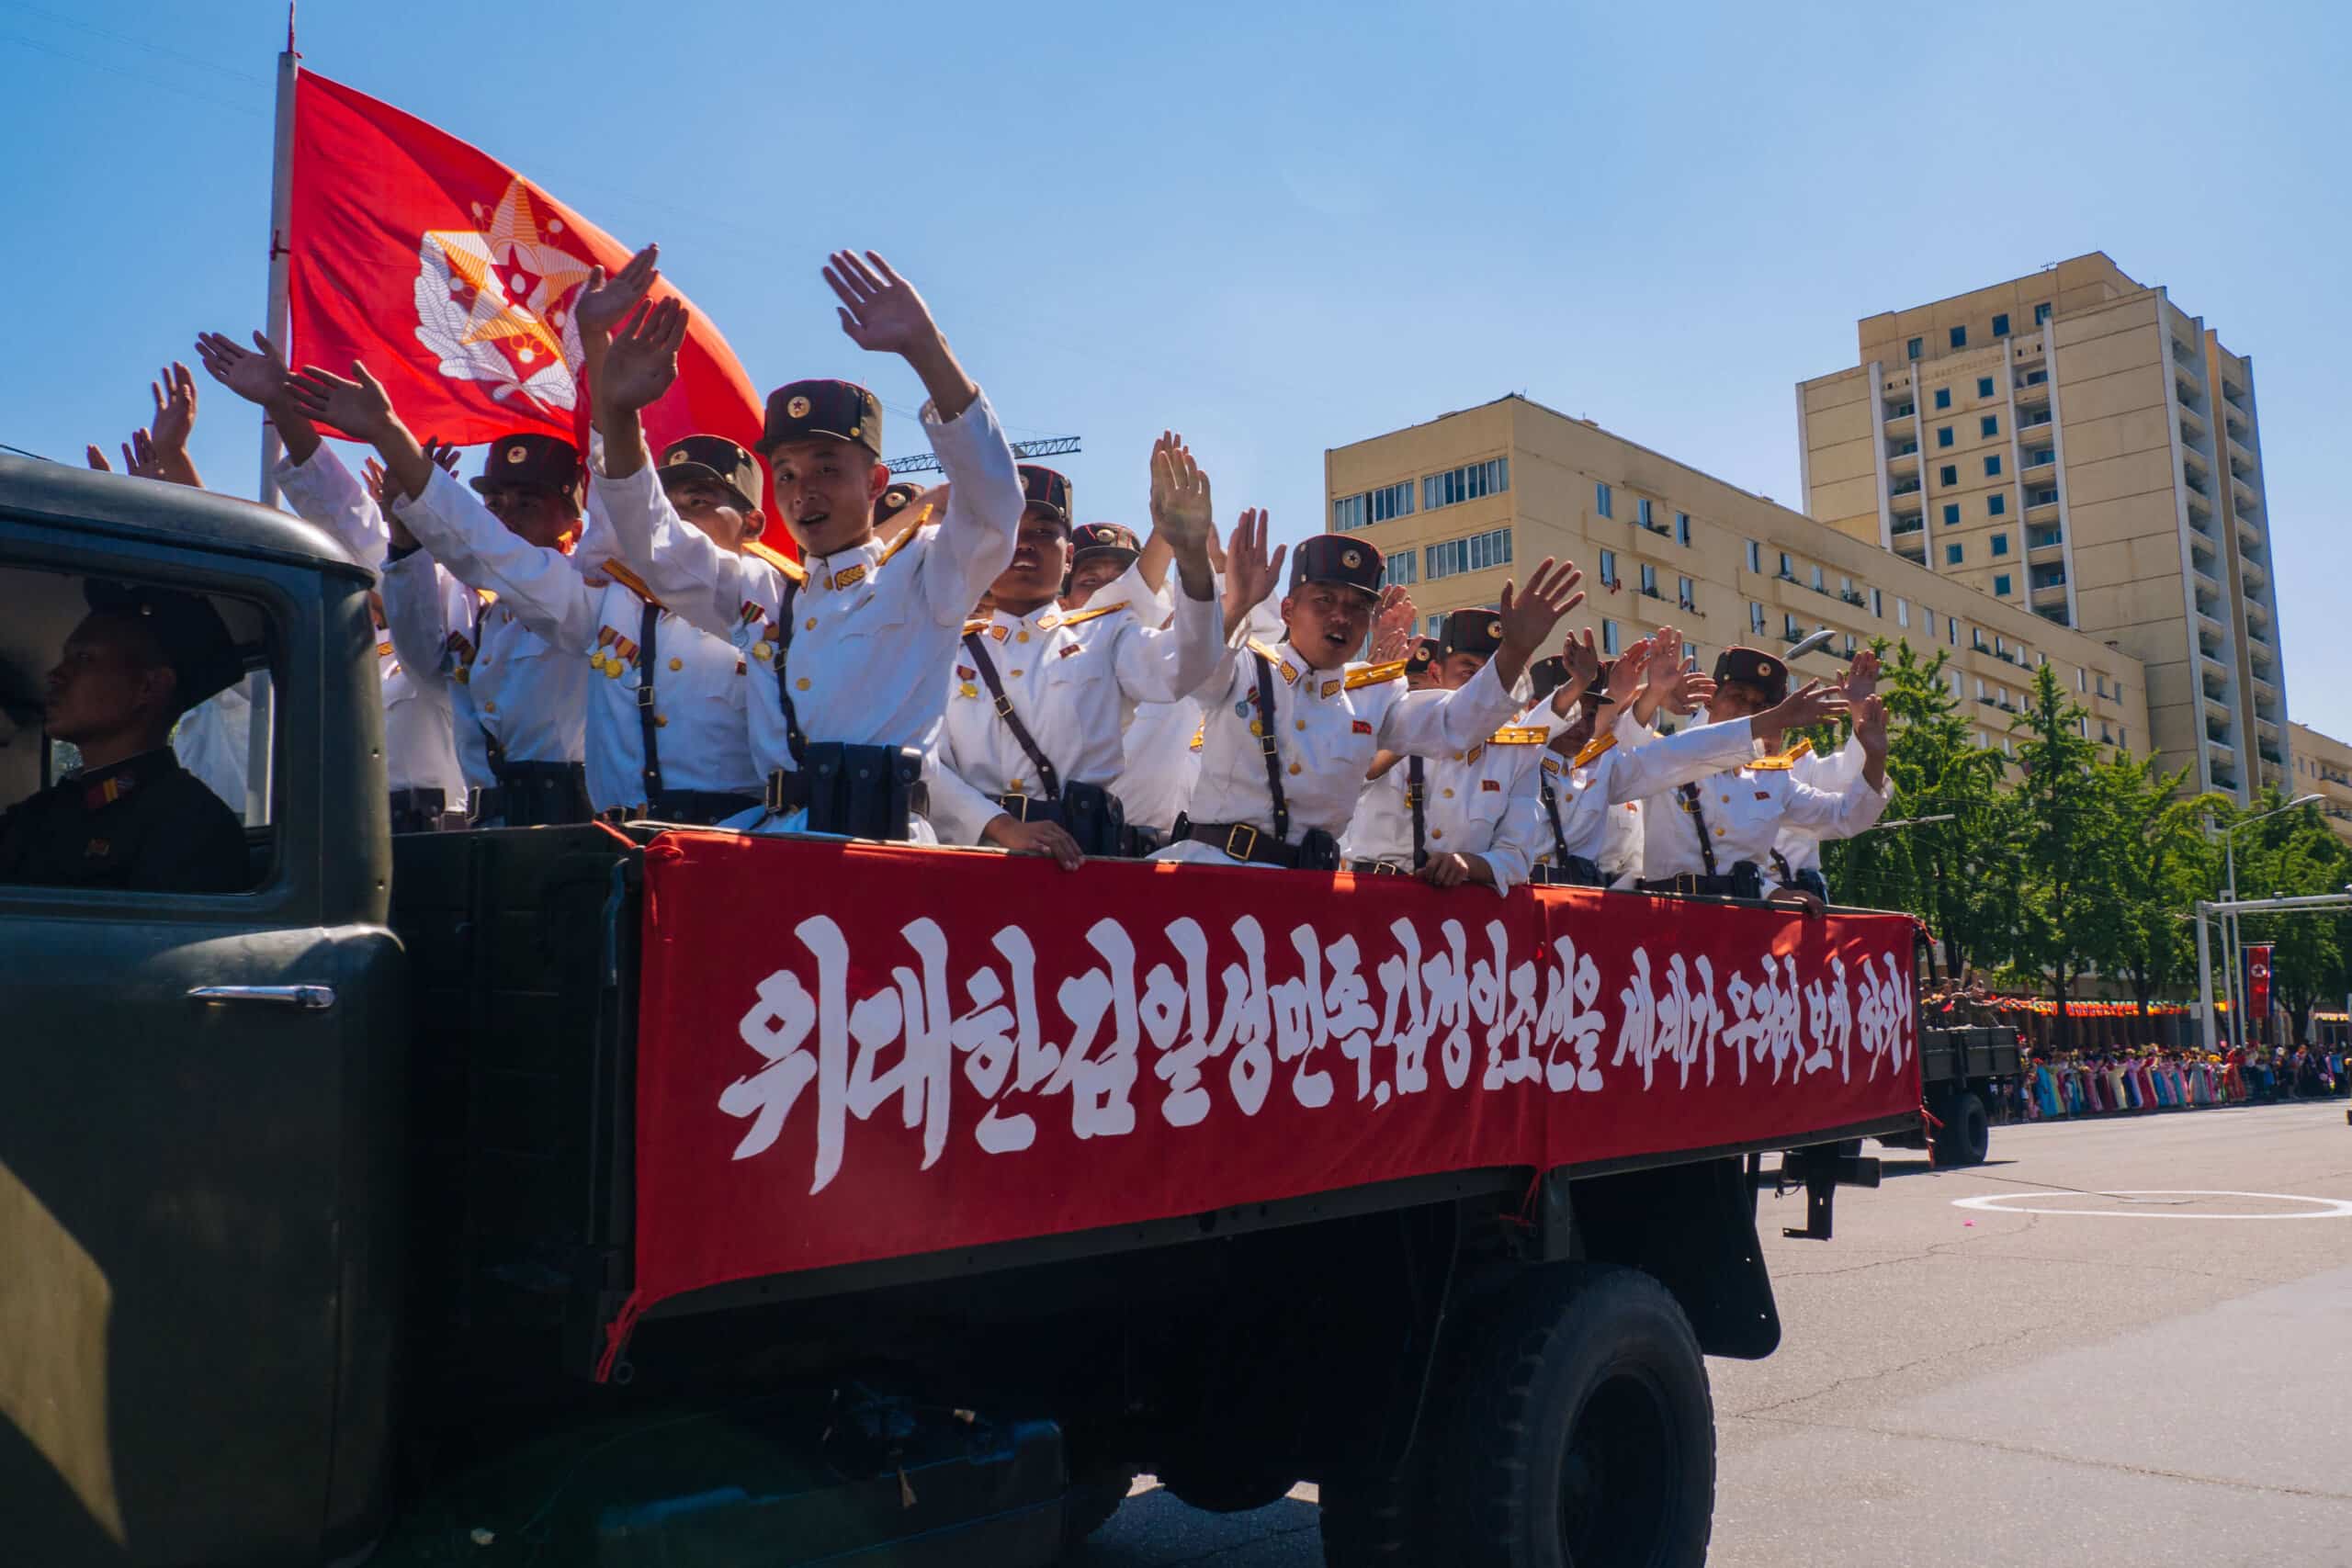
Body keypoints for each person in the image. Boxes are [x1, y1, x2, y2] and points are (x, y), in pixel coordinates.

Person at [591, 248, 1023, 840]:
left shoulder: (925, 572)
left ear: (875, 482)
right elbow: (652, 543)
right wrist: (617, 413)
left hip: (882, 849)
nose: (802, 491)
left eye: (827, 468)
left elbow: (995, 503)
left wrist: (928, 350)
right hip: (774, 849)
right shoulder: (766, 592)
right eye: (787, 474)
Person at [1159, 525, 1585, 870]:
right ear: (1288, 611)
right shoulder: (1247, 667)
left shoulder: (1373, 695)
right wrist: (1235, 605)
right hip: (1216, 875)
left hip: (1307, 898)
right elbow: (1195, 667)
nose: (1341, 616)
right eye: (1324, 600)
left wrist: (1515, 652)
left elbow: (1455, 725)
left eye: (1358, 607)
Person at [195, 329, 472, 830]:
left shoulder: (457, 602)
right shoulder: (344, 642)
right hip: (339, 830)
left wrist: (285, 409)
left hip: (431, 833)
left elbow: (360, 531)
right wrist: (281, 405)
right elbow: (346, 519)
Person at [929, 441, 1223, 866]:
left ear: (1068, 558)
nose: (1024, 545)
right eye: (1008, 531)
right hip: (975, 859)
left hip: (1081, 865)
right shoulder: (947, 648)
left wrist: (1192, 556)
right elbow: (928, 761)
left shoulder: (1105, 634)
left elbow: (1188, 667)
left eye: (1042, 533)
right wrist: (999, 824)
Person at [1503, 632, 1850, 890]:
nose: (1583, 723)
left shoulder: (1605, 767)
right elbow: (1536, 734)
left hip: (1589, 906)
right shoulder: (1511, 754)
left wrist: (1649, 694)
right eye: (1574, 707)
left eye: (1591, 711)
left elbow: (1682, 754)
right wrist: (1625, 692)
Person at [1, 581, 249, 893]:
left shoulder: (191, 826)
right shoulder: (42, 811)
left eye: (84, 658)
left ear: (149, 687)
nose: (54, 675)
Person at [1636, 645, 1892, 901]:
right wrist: (1652, 693)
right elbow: (1615, 751)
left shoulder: (1770, 779)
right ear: (1710, 700)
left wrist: (1875, 756)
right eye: (1737, 697)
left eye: (1762, 707)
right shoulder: (1670, 755)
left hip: (1744, 921)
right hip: (1670, 919)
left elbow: (1844, 816)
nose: (1748, 712)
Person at [1770, 647, 1883, 900]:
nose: (1767, 738)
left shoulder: (1799, 767)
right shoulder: (1715, 767)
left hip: (1802, 896)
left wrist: (1858, 711)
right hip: (1740, 894)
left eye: (1775, 725)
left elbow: (1850, 786)